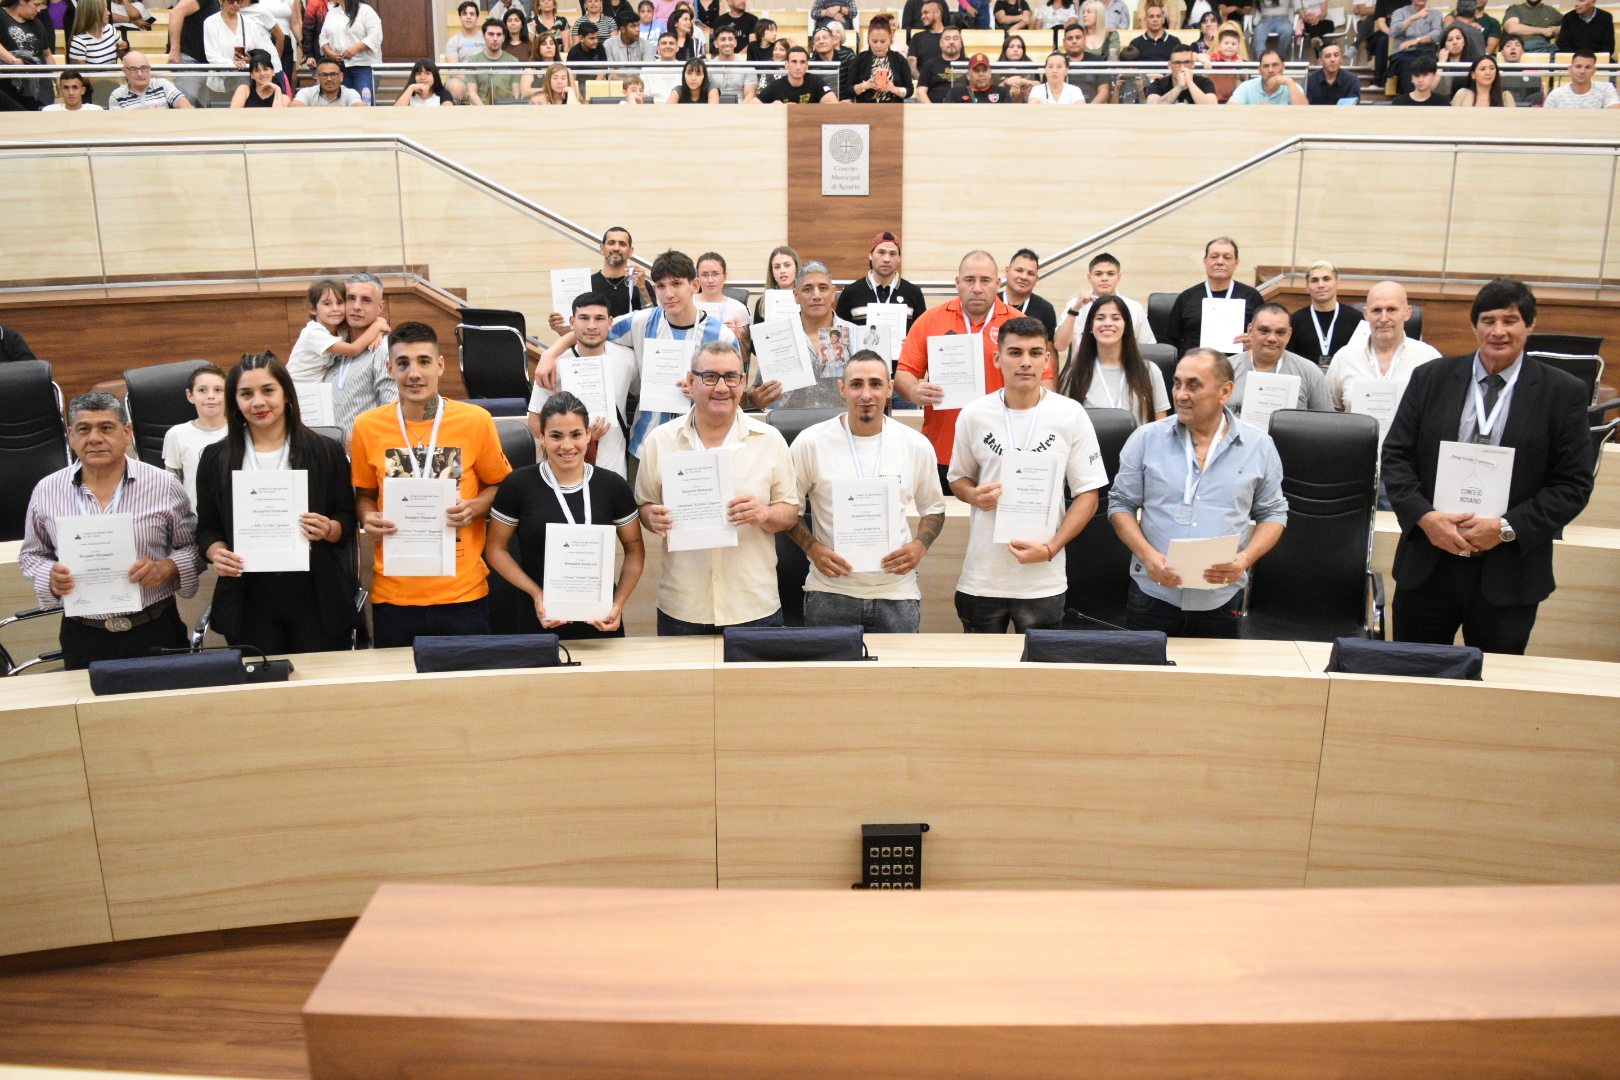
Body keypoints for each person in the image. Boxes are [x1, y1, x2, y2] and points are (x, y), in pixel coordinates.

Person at [1381, 279, 1593, 655]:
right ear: (1474, 325)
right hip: (1429, 563)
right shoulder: (1431, 378)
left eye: (1510, 320)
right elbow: (1396, 458)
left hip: (1509, 572)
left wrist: (1507, 528)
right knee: (1412, 684)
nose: (1498, 331)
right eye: (1488, 320)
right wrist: (1427, 519)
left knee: (1494, 696)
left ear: (1530, 325)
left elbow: (1572, 485)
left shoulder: (1562, 392)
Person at [352, 323, 513, 649]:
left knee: (465, 695)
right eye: (403, 363)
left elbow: (502, 487)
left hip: (462, 594)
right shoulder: (367, 427)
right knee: (401, 697)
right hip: (394, 596)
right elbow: (364, 496)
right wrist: (367, 517)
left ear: (440, 365)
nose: (414, 373)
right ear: (390, 369)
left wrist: (475, 506)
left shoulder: (474, 421)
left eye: (424, 361)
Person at [1108, 349, 1287, 638]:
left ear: (1225, 391)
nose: (1180, 395)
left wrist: (1244, 560)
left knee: (1213, 683)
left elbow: (1274, 513)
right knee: (1145, 681)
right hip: (1153, 593)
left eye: (1194, 385)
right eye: (1177, 384)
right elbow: (1120, 505)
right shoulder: (1145, 439)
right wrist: (1149, 556)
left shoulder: (1259, 446)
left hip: (1221, 597)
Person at [948, 317, 1106, 635]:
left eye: (1035, 353)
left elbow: (1088, 496)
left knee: (1038, 679)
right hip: (983, 577)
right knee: (981, 677)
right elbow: (958, 479)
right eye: (1015, 352)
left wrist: (1051, 549)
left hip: (1042, 580)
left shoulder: (1071, 414)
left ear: (1047, 359)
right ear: (997, 358)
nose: (1025, 362)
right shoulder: (974, 414)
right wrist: (973, 495)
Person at [19, 392, 200, 669]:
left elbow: (193, 547)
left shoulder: (164, 485)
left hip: (155, 627)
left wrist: (166, 568)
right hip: (83, 633)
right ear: (71, 435)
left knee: (165, 710)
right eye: (83, 429)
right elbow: (32, 554)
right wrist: (50, 577)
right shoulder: (47, 490)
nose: (94, 438)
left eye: (106, 428)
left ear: (127, 433)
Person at [193, 354, 358, 656]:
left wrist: (330, 528)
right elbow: (207, 528)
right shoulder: (216, 459)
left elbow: (346, 516)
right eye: (246, 394)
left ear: (286, 394)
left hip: (315, 594)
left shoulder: (325, 451)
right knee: (262, 691)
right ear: (235, 401)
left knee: (320, 690)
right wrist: (218, 553)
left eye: (268, 390)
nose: (258, 402)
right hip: (248, 595)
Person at [635, 341, 798, 635]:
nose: (722, 387)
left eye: (731, 377)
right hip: (683, 605)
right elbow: (644, 506)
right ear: (690, 381)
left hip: (752, 605)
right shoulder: (659, 441)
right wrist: (652, 517)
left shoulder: (770, 440)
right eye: (710, 377)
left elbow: (790, 514)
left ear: (743, 382)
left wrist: (762, 514)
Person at [786, 352, 946, 634]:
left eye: (875, 383)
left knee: (897, 679)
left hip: (897, 593)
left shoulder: (915, 444)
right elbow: (789, 511)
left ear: (890, 389)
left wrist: (920, 545)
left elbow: (933, 508)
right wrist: (812, 548)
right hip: (830, 592)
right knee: (830, 680)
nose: (866, 394)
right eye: (856, 384)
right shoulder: (810, 443)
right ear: (842, 389)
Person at [538, 249, 739, 459]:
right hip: (645, 446)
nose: (668, 294)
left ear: (694, 285)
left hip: (700, 448)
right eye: (661, 286)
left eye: (677, 284)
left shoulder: (722, 336)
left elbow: (736, 395)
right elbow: (593, 330)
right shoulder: (641, 321)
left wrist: (703, 391)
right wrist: (549, 354)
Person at [487, 393, 644, 639]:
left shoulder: (612, 486)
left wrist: (618, 604)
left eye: (576, 434)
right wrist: (537, 594)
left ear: (589, 435)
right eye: (556, 436)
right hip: (539, 617)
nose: (567, 446)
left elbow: (634, 549)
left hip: (601, 619)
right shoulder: (518, 484)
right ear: (542, 436)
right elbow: (496, 550)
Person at [897, 251, 1056, 491]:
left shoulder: (1020, 323)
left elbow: (1045, 383)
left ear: (998, 283)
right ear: (958, 282)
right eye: (970, 280)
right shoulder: (929, 321)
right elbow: (903, 374)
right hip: (944, 449)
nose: (977, 288)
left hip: (1007, 449)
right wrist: (914, 391)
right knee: (947, 524)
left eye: (985, 280)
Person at [528, 292, 637, 479]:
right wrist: (577, 438)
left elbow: (644, 394)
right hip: (565, 470)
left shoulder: (628, 359)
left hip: (614, 467)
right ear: (572, 322)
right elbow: (534, 423)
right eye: (584, 318)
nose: (591, 326)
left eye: (599, 318)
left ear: (610, 323)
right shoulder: (554, 365)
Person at [746, 261, 861, 411]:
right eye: (808, 289)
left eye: (823, 288)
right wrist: (756, 399)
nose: (816, 295)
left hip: (840, 427)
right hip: (790, 429)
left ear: (833, 293)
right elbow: (756, 391)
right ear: (796, 295)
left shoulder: (854, 334)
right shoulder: (778, 336)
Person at [1326, 280, 1441, 411]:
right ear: (1366, 314)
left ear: (1407, 313)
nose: (1384, 318)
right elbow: (1331, 414)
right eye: (1376, 310)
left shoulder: (1429, 359)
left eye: (1392, 309)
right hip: (1358, 432)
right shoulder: (1344, 358)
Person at [1060, 296, 1169, 426]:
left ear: (1126, 326)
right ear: (1091, 326)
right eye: (1100, 318)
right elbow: (1066, 427)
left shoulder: (1150, 371)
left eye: (1116, 318)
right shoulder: (1074, 374)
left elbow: (1161, 426)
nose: (1107, 323)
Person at [322, 273, 398, 433]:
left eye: (366, 300)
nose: (356, 306)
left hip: (367, 453)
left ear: (380, 307)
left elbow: (392, 416)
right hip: (328, 452)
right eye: (351, 298)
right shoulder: (334, 345)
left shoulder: (383, 351)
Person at [1164, 237, 1264, 357]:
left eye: (1227, 257)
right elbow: (1169, 342)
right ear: (1205, 261)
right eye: (1214, 256)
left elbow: (1264, 336)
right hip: (1194, 368)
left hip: (1237, 368)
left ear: (1236, 263)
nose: (1220, 262)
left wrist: (1255, 343)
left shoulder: (1252, 297)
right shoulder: (1187, 298)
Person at [1227, 304, 1334, 414]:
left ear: (1289, 335)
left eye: (1280, 332)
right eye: (1264, 330)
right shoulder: (1226, 369)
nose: (1272, 338)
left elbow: (1326, 424)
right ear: (1250, 330)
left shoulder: (1310, 372)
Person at [1057, 253, 1157, 362]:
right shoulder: (1075, 305)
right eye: (1098, 274)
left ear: (1119, 277)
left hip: (1123, 370)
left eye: (1110, 274)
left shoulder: (1133, 307)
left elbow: (1148, 348)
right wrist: (1075, 310)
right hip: (1082, 371)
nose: (1104, 278)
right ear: (1089, 277)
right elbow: (1059, 346)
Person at [288, 278, 388, 382]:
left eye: (340, 302)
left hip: (317, 390)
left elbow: (379, 322)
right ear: (313, 309)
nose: (335, 309)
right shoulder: (314, 333)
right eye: (327, 304)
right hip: (296, 389)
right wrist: (377, 327)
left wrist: (380, 327)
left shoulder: (341, 328)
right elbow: (353, 350)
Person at [162, 362, 229, 508]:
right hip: (194, 522)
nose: (211, 396)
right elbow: (172, 488)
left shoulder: (242, 432)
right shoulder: (176, 435)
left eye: (218, 390)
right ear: (190, 395)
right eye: (202, 390)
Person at [833, 232, 927, 333]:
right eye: (881, 252)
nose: (886, 259)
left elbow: (923, 333)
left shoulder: (914, 293)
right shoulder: (850, 292)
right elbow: (840, 334)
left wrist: (910, 341)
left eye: (892, 254)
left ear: (899, 258)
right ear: (870, 255)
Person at [204, 0, 282, 101]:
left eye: (239, 1)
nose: (236, 4)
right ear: (221, 1)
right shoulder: (210, 22)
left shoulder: (249, 23)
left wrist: (250, 59)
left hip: (247, 81)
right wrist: (233, 63)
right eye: (231, 1)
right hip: (220, 83)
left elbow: (261, 52)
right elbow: (212, 55)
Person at [1289, 261, 1364, 364]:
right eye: (1315, 281)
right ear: (1307, 287)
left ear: (1338, 283)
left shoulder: (1356, 319)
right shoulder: (1295, 321)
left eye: (1326, 279)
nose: (1321, 285)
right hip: (1307, 378)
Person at [319, 0, 381, 100]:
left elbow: (375, 36)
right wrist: (330, 52)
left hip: (364, 66)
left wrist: (356, 48)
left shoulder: (365, 10)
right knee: (344, 101)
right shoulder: (332, 13)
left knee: (364, 101)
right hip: (340, 67)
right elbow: (323, 37)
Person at [0, 0, 54, 110]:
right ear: (22, 1)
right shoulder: (2, 16)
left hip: (40, 88)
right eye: (36, 5)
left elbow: (47, 55)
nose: (39, 10)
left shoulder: (37, 23)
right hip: (11, 87)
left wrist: (58, 79)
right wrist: (14, 61)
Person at [165, 0, 218, 106]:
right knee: (186, 108)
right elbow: (176, 13)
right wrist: (175, 50)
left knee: (200, 114)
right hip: (189, 61)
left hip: (203, 64)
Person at [848, 15, 912, 101]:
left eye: (883, 41)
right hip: (866, 110)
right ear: (868, 39)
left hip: (893, 110)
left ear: (889, 39)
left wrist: (894, 89)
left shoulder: (899, 59)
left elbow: (910, 91)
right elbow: (849, 90)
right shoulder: (860, 59)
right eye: (874, 41)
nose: (878, 45)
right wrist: (864, 86)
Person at [1002, 248, 1058, 341]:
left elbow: (1050, 350)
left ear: (1036, 279)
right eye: (1019, 270)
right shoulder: (991, 303)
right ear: (1007, 272)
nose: (1024, 277)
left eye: (1030, 273)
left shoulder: (1045, 309)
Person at [1387, 0, 1443, 91]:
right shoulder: (1399, 12)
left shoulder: (1435, 13)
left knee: (1428, 65)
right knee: (1405, 67)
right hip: (1404, 53)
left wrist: (1417, 41)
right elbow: (1393, 32)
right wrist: (1413, 18)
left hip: (1426, 52)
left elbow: (1437, 33)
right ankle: (1409, 100)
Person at [108, 49, 194, 107]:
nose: (140, 74)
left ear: (149, 69)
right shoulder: (117, 96)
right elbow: (119, 127)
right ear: (124, 71)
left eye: (144, 68)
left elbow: (186, 107)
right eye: (133, 69)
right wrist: (148, 116)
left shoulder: (162, 85)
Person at [754, 44, 838, 101]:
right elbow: (753, 105)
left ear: (807, 65)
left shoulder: (816, 82)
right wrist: (774, 106)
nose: (798, 67)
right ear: (787, 65)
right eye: (794, 62)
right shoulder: (776, 86)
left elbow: (832, 102)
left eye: (802, 62)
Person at [465, 18, 520, 103]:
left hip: (507, 110)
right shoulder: (473, 62)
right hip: (481, 110)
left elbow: (516, 94)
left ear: (504, 38)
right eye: (491, 34)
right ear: (484, 36)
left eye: (499, 35)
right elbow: (472, 93)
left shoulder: (513, 62)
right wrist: (485, 112)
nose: (495, 38)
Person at [1545, 50, 1620, 108]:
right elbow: (1545, 121)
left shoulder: (1606, 89)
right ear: (1570, 69)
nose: (1582, 71)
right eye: (1578, 66)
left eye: (1588, 67)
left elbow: (1615, 116)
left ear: (1594, 71)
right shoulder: (1556, 95)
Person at [1229, 47, 1307, 101]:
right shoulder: (1247, 87)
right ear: (1259, 70)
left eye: (1275, 65)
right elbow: (1230, 109)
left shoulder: (1293, 86)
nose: (1270, 70)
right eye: (1266, 66)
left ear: (1283, 67)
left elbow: (1304, 112)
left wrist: (1289, 82)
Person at [1145, 43, 1219, 100]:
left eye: (1187, 62)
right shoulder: (1158, 84)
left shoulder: (1205, 82)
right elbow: (1153, 106)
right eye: (1177, 63)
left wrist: (1190, 82)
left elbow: (1211, 106)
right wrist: (1179, 87)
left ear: (1193, 64)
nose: (1182, 67)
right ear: (1170, 65)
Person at [68, 0, 122, 70]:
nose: (108, 13)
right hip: (99, 80)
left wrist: (125, 49)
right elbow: (80, 76)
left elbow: (125, 57)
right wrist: (108, 76)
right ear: (93, 13)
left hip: (115, 80)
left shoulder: (110, 29)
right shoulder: (78, 42)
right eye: (104, 10)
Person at [916, 24, 964, 101]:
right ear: (941, 43)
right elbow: (920, 92)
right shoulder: (929, 65)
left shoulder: (970, 64)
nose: (951, 42)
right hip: (935, 109)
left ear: (961, 43)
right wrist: (933, 111)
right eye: (947, 39)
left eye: (955, 38)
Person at [939, 51, 1017, 101]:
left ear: (990, 73)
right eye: (976, 70)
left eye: (984, 70)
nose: (981, 74)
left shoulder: (1002, 93)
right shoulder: (955, 93)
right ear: (968, 75)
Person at [753, 245, 799, 323]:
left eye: (787, 265)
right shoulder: (762, 303)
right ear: (772, 272)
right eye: (777, 267)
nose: (782, 271)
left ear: (797, 268)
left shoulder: (807, 299)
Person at [708, 28, 758, 101]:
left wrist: (737, 111)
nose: (727, 43)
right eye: (723, 39)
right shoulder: (708, 67)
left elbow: (750, 96)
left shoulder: (747, 66)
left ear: (735, 43)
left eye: (730, 39)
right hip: (715, 108)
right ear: (716, 44)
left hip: (741, 108)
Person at [298, 55, 364, 103]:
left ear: (341, 77)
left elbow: (358, 109)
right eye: (324, 75)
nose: (329, 79)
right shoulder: (306, 93)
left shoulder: (351, 93)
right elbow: (295, 107)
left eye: (333, 74)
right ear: (318, 78)